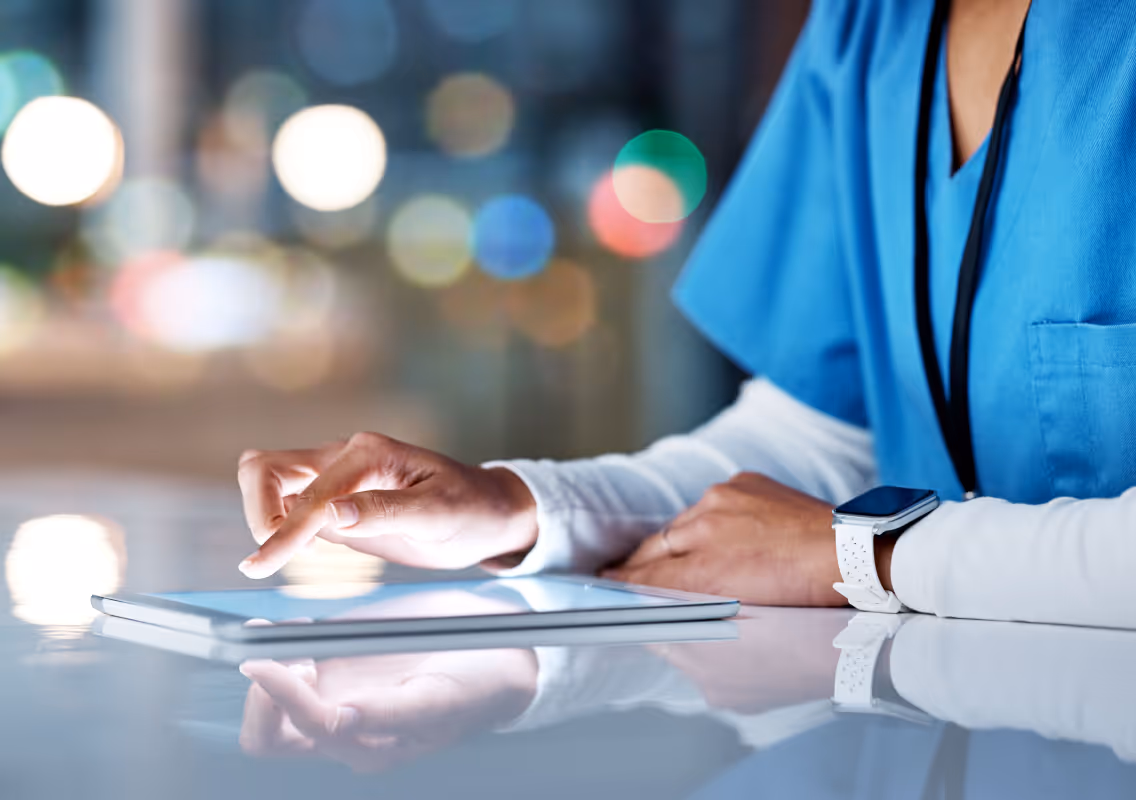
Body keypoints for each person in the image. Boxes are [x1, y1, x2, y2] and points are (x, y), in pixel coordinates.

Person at [235, 0, 1136, 629]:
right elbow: (823, 442)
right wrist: (522, 507)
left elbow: (817, 537)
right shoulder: (870, 25)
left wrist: (862, 557)